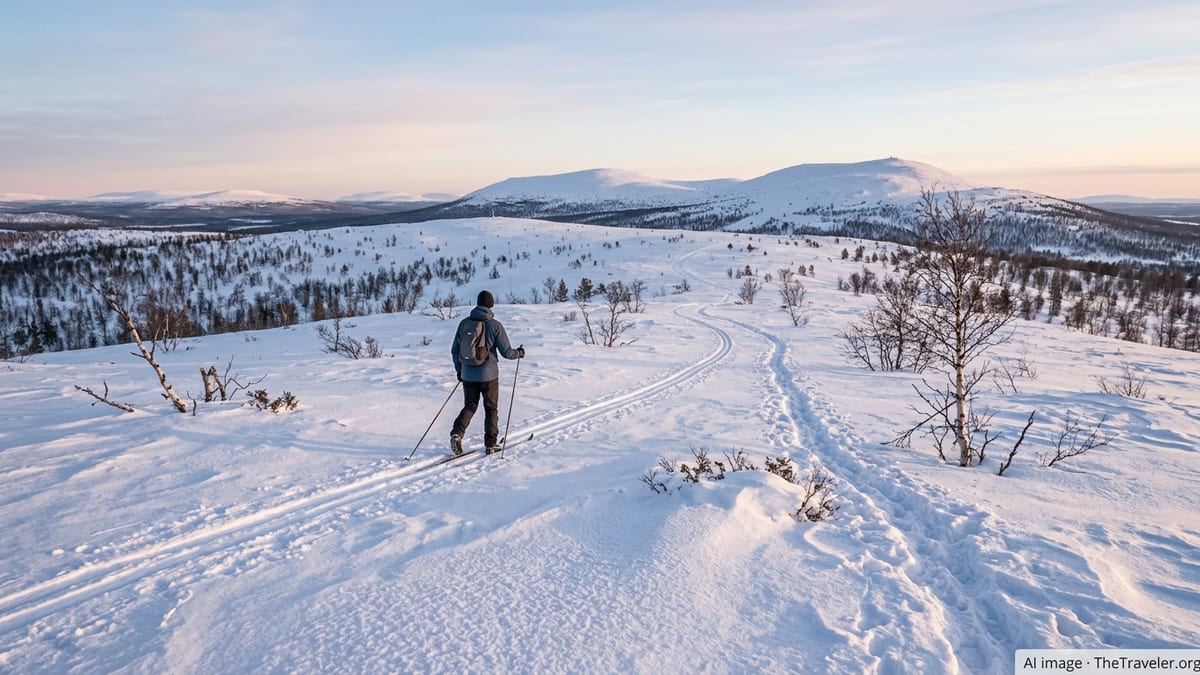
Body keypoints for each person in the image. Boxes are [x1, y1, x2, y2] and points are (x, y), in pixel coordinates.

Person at [450, 290, 525, 455]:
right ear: (491, 304)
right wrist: (519, 353)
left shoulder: (464, 323)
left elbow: (455, 350)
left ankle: (457, 434)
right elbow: (507, 352)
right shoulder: (495, 325)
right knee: (491, 409)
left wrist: (460, 370)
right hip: (488, 375)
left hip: (468, 374)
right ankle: (491, 444)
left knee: (470, 406)